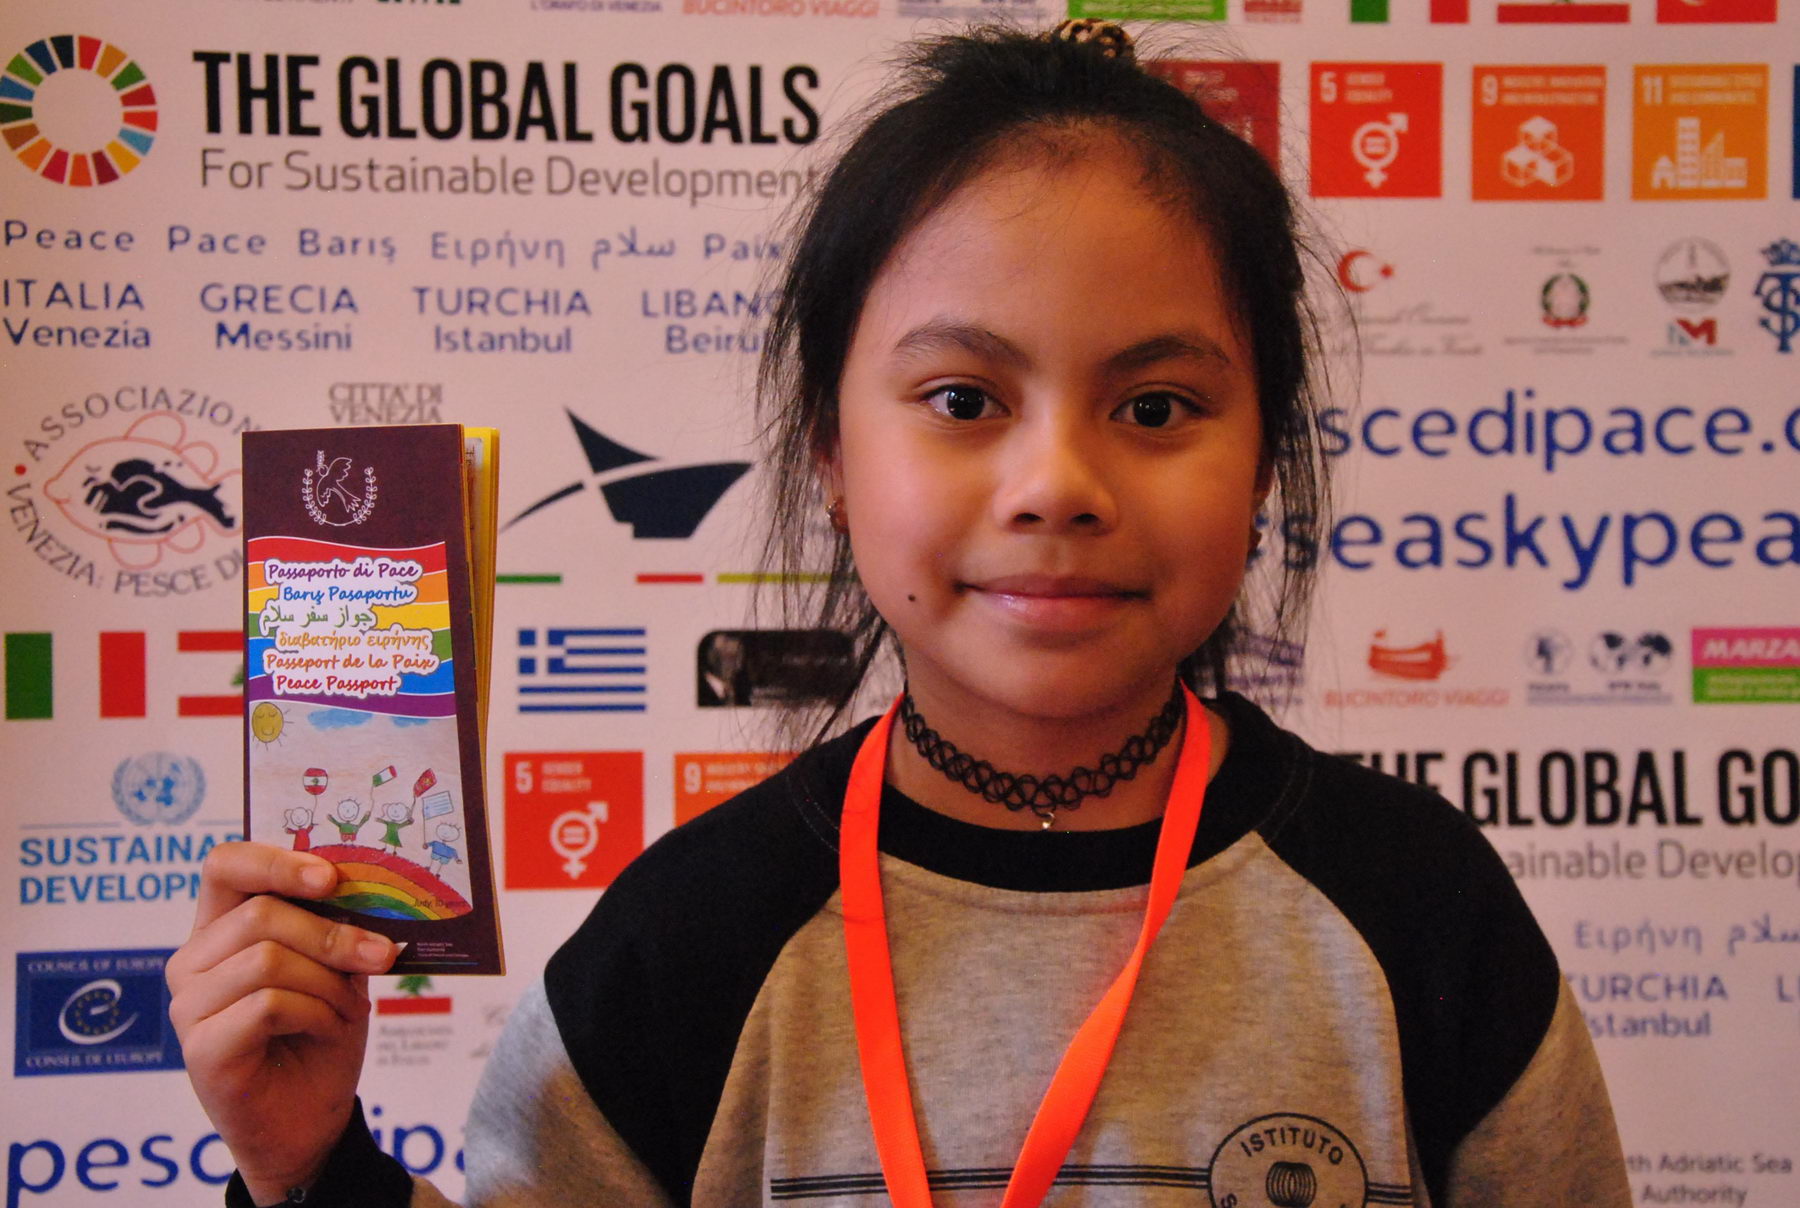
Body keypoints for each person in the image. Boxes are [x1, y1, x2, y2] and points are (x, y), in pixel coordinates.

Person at [166, 22, 1630, 1208]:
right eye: (963, 400)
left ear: (1262, 463)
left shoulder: (1420, 912)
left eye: (1156, 406)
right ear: (831, 456)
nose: (1057, 486)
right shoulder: (689, 944)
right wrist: (308, 1171)